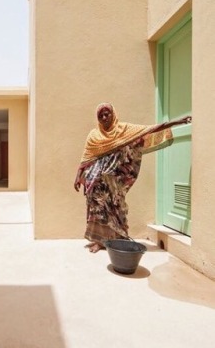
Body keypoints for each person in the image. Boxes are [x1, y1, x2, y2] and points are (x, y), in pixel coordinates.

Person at [74, 103, 191, 253]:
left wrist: (177, 122)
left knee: (115, 209)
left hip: (114, 182)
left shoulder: (123, 130)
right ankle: (99, 241)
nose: (104, 117)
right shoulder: (94, 135)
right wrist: (78, 177)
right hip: (95, 185)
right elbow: (85, 159)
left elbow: (149, 130)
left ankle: (114, 240)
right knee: (97, 210)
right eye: (100, 115)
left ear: (113, 114)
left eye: (107, 113)